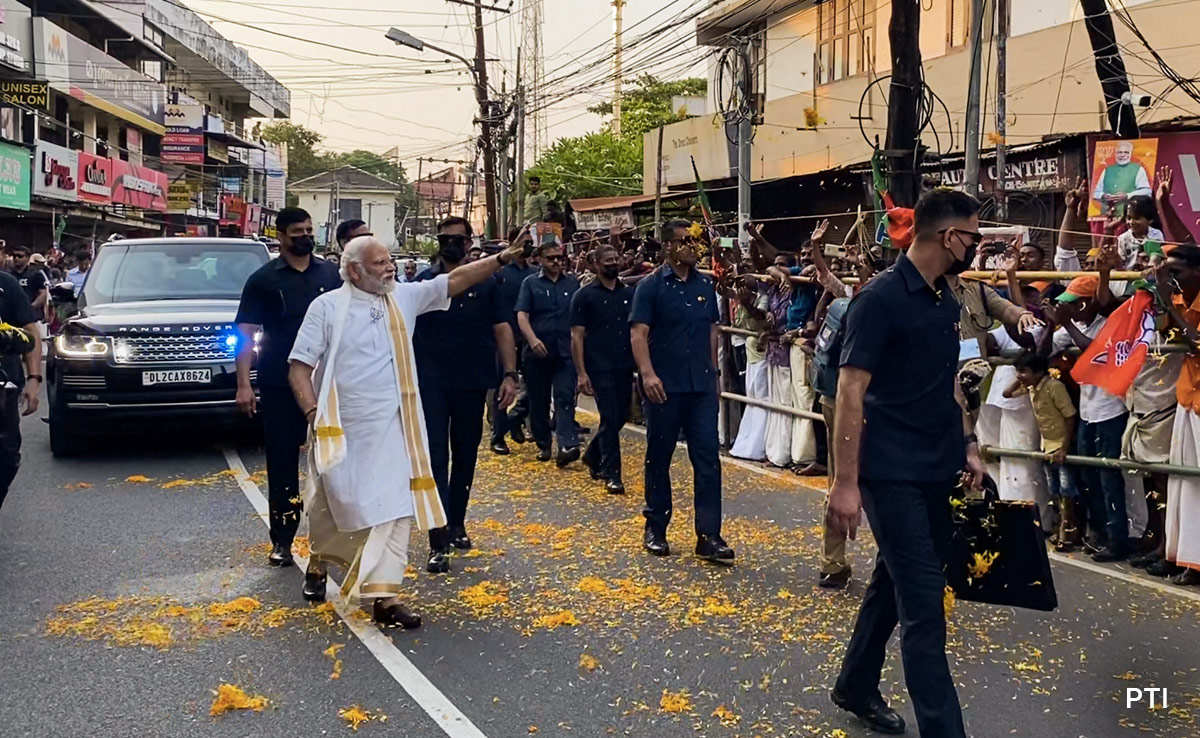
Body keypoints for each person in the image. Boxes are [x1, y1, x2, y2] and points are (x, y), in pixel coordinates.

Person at [288, 235, 524, 625]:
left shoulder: (403, 297)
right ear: (354, 271)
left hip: (396, 427)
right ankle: (318, 563)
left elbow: (454, 281)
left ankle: (385, 597)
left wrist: (501, 259)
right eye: (379, 263)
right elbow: (299, 365)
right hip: (342, 427)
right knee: (337, 503)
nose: (389, 267)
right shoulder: (326, 308)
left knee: (395, 509)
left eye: (388, 260)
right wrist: (314, 413)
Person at [827, 189, 988, 738]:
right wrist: (844, 486)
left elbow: (948, 383)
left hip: (937, 465)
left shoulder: (947, 298)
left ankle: (855, 683)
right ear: (948, 237)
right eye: (973, 235)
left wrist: (967, 443)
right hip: (889, 471)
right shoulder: (879, 299)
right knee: (924, 604)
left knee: (892, 586)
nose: (976, 246)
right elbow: (851, 392)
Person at [235, 207, 343, 567]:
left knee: (332, 461)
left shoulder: (331, 274)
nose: (305, 236)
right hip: (279, 384)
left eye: (309, 230)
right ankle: (282, 538)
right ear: (280, 236)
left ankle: (334, 534)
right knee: (282, 461)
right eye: (297, 231)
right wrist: (243, 386)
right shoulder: (263, 280)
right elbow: (245, 336)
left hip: (327, 384)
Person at [415, 217, 519, 574]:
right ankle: (436, 534)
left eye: (457, 239)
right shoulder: (424, 283)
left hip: (472, 379)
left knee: (465, 454)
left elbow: (503, 329)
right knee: (434, 458)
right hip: (430, 383)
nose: (450, 245)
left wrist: (509, 374)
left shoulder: (490, 284)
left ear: (469, 242)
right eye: (444, 239)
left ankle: (456, 520)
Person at [631, 220, 732, 564]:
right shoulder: (651, 286)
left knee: (707, 459)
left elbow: (712, 332)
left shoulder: (705, 285)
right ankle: (656, 527)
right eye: (685, 241)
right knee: (659, 457)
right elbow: (638, 334)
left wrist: (715, 376)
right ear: (669, 247)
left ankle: (709, 535)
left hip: (700, 385)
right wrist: (647, 374)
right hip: (665, 385)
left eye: (696, 240)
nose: (693, 246)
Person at [1046, 274, 1131, 561]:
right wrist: (1050, 324)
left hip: (1111, 410)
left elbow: (1094, 351)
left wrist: (1066, 323)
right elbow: (1043, 351)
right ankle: (1098, 532)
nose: (1069, 309)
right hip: (1086, 412)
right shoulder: (1075, 325)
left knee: (1109, 478)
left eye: (1074, 304)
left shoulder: (1109, 324)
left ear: (1087, 302)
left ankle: (1118, 539)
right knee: (1087, 476)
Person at [571, 243, 634, 494]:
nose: (612, 263)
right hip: (598, 366)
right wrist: (581, 372)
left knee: (621, 416)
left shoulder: (628, 293)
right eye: (607, 260)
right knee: (609, 416)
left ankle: (593, 453)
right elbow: (576, 336)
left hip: (624, 365)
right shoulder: (584, 296)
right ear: (595, 264)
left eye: (615, 259)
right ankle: (612, 473)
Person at [1005, 352, 1080, 549]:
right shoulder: (1030, 388)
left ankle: (1068, 532)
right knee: (1054, 490)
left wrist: (1064, 447)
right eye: (1017, 371)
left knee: (1067, 490)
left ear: (1038, 372)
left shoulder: (1054, 387)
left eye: (1024, 371)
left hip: (1060, 446)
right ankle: (1060, 528)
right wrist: (1020, 378)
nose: (1019, 375)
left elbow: (1070, 416)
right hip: (1046, 446)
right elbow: (1006, 394)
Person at [516, 240, 580, 465]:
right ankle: (544, 443)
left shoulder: (572, 284)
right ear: (540, 260)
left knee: (564, 397)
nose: (556, 262)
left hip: (565, 350)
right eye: (551, 258)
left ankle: (567, 443)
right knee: (539, 400)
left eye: (559, 258)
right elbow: (522, 315)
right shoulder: (530, 283)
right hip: (537, 352)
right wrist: (532, 339)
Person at [1159, 243, 1200, 586]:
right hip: (1188, 399)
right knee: (1184, 481)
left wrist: (1164, 296)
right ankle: (1188, 558)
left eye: (1177, 273)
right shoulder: (1178, 299)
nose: (1171, 279)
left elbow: (1196, 341)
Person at [491, 230, 538, 452]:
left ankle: (516, 419)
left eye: (531, 243)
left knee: (535, 387)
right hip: (505, 337)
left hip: (528, 338)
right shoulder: (500, 272)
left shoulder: (536, 274)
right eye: (524, 242)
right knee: (503, 385)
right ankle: (498, 436)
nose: (528, 246)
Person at [0, 271, 41, 516]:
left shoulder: (6, 285)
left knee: (6, 457)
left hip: (4, 390)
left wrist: (34, 379)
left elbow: (30, 333)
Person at [1092, 140, 1152, 216]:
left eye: (1126, 152)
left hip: (1129, 216)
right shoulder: (1107, 170)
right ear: (1115, 154)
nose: (1122, 155)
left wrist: (1127, 196)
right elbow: (1096, 193)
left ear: (1131, 154)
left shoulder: (1138, 169)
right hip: (1107, 216)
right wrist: (1103, 196)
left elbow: (1147, 192)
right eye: (1120, 152)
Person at [7, 246, 48, 316]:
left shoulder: (36, 274)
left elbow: (43, 293)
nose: (16, 258)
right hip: (11, 313)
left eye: (20, 256)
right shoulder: (8, 273)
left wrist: (32, 307)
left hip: (31, 315)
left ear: (28, 258)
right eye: (14, 256)